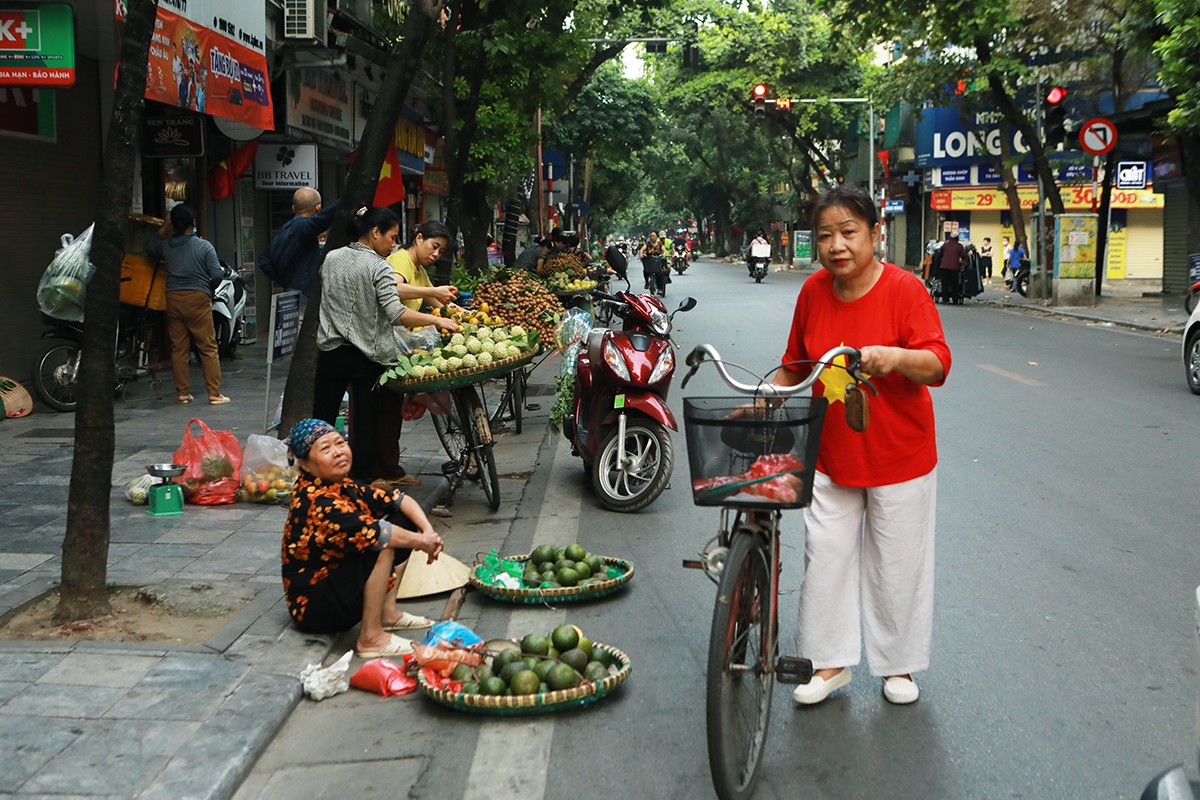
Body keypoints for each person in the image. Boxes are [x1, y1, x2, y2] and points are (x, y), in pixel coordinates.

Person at [771, 185, 951, 707]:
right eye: (825, 235)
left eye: (849, 232)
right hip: (830, 455)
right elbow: (794, 364)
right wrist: (764, 398)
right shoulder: (811, 293)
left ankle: (899, 667)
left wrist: (893, 357)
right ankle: (829, 664)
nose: (837, 245)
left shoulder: (905, 289)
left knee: (897, 565)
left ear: (875, 234)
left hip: (901, 456)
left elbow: (938, 364)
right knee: (824, 558)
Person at [313, 207, 459, 484]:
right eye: (391, 238)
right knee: (365, 419)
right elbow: (396, 312)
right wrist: (436, 321)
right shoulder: (379, 266)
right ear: (375, 233)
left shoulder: (331, 257)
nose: (393, 245)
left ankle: (311, 477)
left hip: (330, 350)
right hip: (366, 354)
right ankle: (365, 477)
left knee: (321, 418)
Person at [281, 418, 446, 658]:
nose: (338, 452)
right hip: (314, 607)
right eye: (325, 449)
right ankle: (371, 639)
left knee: (403, 519)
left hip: (337, 582)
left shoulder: (341, 484)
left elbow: (400, 499)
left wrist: (428, 532)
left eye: (339, 443)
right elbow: (379, 534)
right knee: (382, 543)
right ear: (305, 465)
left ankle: (387, 614)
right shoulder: (318, 501)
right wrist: (424, 543)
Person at [377, 221, 458, 486]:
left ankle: (390, 469)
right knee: (386, 412)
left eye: (441, 251)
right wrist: (432, 293)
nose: (436, 254)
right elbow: (395, 289)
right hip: (389, 346)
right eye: (434, 246)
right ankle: (383, 471)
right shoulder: (401, 259)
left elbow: (436, 302)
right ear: (419, 238)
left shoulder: (419, 269)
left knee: (392, 412)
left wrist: (462, 315)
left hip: (406, 345)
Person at [146, 205, 229, 405]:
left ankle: (182, 393)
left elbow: (149, 248)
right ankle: (214, 393)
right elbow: (217, 274)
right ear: (193, 223)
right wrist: (207, 290)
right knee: (208, 347)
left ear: (173, 224)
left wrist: (164, 227)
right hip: (198, 297)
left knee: (178, 348)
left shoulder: (166, 246)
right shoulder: (204, 246)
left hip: (173, 298)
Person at [257, 187, 340, 300]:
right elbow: (324, 217)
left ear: (293, 208)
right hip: (302, 296)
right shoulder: (302, 227)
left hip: (290, 294)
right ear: (318, 208)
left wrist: (286, 280)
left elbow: (264, 259)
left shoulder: (285, 229)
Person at [937, 233, 966, 302]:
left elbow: (940, 254)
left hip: (944, 267)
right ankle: (955, 299)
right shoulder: (959, 246)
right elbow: (963, 256)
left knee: (945, 283)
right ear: (957, 238)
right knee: (954, 284)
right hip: (954, 267)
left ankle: (945, 299)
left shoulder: (945, 245)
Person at [638, 230, 667, 296]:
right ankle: (647, 282)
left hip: (658, 260)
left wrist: (664, 255)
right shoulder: (647, 244)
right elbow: (642, 250)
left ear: (657, 237)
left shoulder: (660, 244)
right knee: (645, 271)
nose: (652, 237)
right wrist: (641, 254)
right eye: (651, 236)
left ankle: (660, 288)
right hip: (649, 260)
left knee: (660, 274)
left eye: (653, 236)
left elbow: (664, 250)